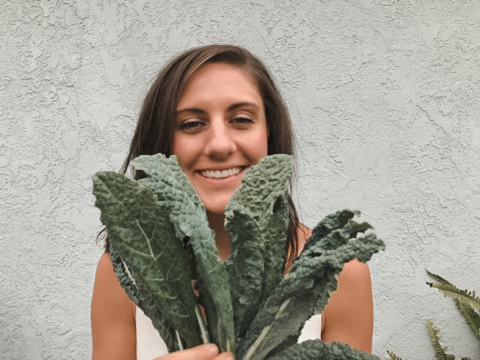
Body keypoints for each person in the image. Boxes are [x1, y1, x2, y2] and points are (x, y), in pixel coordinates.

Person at [91, 45, 373, 360]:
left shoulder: (337, 271)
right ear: (162, 142)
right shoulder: (126, 272)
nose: (220, 145)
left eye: (240, 119)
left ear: (269, 133)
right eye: (192, 124)